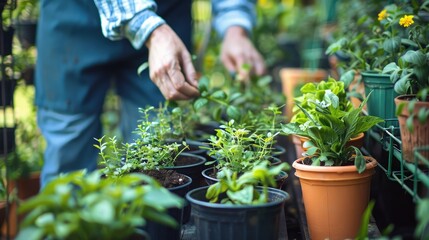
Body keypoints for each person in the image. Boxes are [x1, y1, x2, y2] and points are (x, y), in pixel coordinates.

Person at [36, 0, 266, 187]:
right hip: (75, 18)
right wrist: (150, 29)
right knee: (67, 152)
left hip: (166, 15)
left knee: (156, 157)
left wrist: (235, 25)